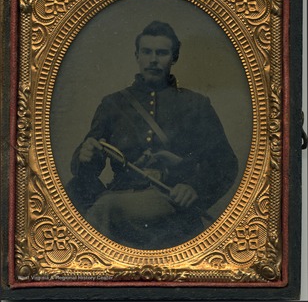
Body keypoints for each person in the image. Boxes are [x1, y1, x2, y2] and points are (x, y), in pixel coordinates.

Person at [67, 21, 238, 249]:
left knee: (107, 209)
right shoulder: (113, 104)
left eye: (162, 53)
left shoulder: (196, 105)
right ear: (137, 55)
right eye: (147, 52)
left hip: (171, 204)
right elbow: (90, 164)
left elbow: (225, 163)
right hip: (119, 196)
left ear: (174, 58)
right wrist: (85, 154)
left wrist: (194, 188)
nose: (153, 60)